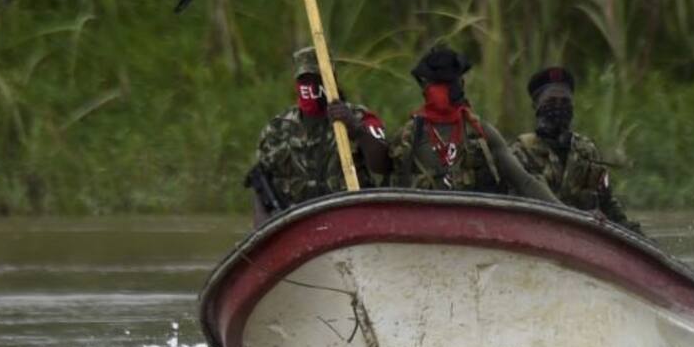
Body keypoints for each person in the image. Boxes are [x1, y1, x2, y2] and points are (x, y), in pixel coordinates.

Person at [388, 45, 558, 203]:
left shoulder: (480, 133)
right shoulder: (409, 136)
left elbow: (524, 182)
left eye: (450, 84)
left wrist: (568, 215)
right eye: (438, 85)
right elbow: (386, 185)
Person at [246, 46, 390, 219]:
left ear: (331, 80)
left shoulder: (361, 117)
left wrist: (355, 129)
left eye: (316, 79)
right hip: (297, 225)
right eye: (304, 79)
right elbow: (260, 185)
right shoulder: (277, 129)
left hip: (351, 218)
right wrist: (262, 231)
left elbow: (382, 166)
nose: (310, 86)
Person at [510, 66, 641, 232]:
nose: (559, 107)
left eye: (565, 102)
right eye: (551, 102)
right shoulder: (521, 152)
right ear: (536, 106)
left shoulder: (587, 151)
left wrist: (635, 234)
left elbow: (608, 204)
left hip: (585, 238)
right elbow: (516, 207)